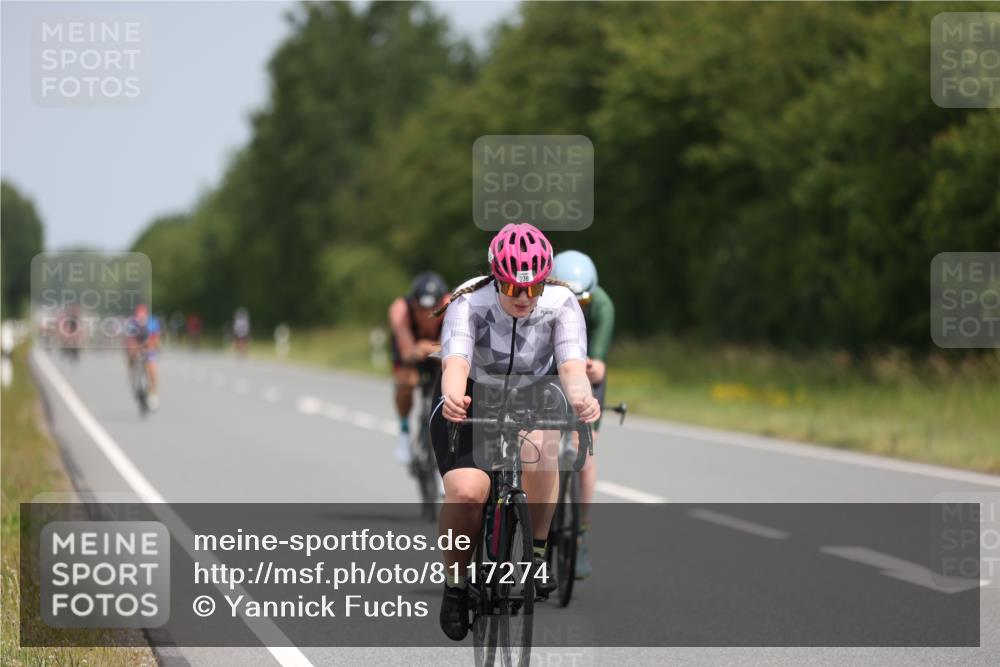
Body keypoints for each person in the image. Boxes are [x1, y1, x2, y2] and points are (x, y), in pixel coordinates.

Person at [430, 223, 600, 641]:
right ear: (496, 278)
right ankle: (455, 586)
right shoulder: (469, 301)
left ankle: (537, 554)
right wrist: (453, 398)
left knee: (544, 447)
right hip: (472, 392)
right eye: (512, 288)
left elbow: (572, 367)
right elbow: (455, 362)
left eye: (533, 288)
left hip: (533, 391)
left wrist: (582, 400)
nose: (524, 298)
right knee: (468, 492)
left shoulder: (561, 304)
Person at [551, 250, 615, 580]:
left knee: (584, 455)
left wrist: (587, 368)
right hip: (550, 373)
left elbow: (600, 369)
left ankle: (580, 532)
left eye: (583, 301)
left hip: (584, 377)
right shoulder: (542, 300)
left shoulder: (602, 305)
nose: (577, 306)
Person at [387, 271, 449, 464]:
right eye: (421, 309)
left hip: (439, 352)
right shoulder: (400, 309)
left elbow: (453, 348)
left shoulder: (452, 304)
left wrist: (429, 347)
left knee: (452, 384)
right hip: (411, 351)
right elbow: (407, 351)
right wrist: (420, 349)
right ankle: (404, 432)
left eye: (433, 309)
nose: (427, 315)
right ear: (413, 303)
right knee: (407, 382)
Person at [124, 304, 161, 409]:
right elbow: (130, 340)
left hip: (149, 345)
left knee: (152, 370)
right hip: (136, 344)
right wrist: (133, 351)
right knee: (130, 356)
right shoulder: (132, 323)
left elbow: (156, 339)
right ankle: (132, 375)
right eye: (139, 318)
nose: (141, 319)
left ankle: (153, 394)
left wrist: (151, 348)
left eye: (143, 318)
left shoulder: (153, 322)